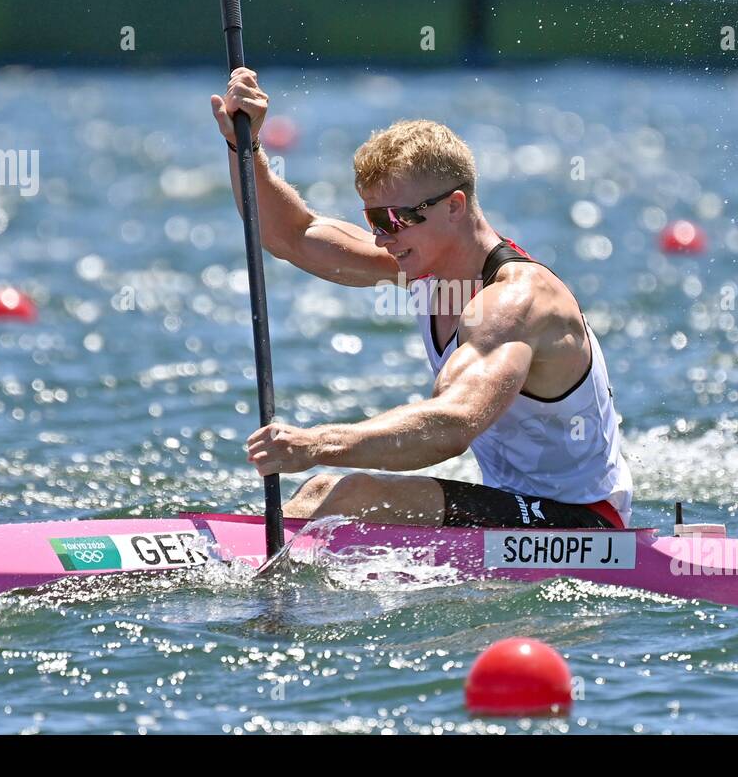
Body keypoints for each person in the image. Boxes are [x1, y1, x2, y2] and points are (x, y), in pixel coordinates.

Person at [210, 68, 633, 529]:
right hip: (510, 502)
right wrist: (244, 146)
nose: (381, 236)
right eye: (372, 219)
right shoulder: (421, 263)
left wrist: (317, 444)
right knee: (319, 492)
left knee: (355, 494)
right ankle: (248, 562)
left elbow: (453, 425)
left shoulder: (517, 302)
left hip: (587, 523)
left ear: (453, 206)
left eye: (394, 219)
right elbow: (294, 235)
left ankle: (262, 580)